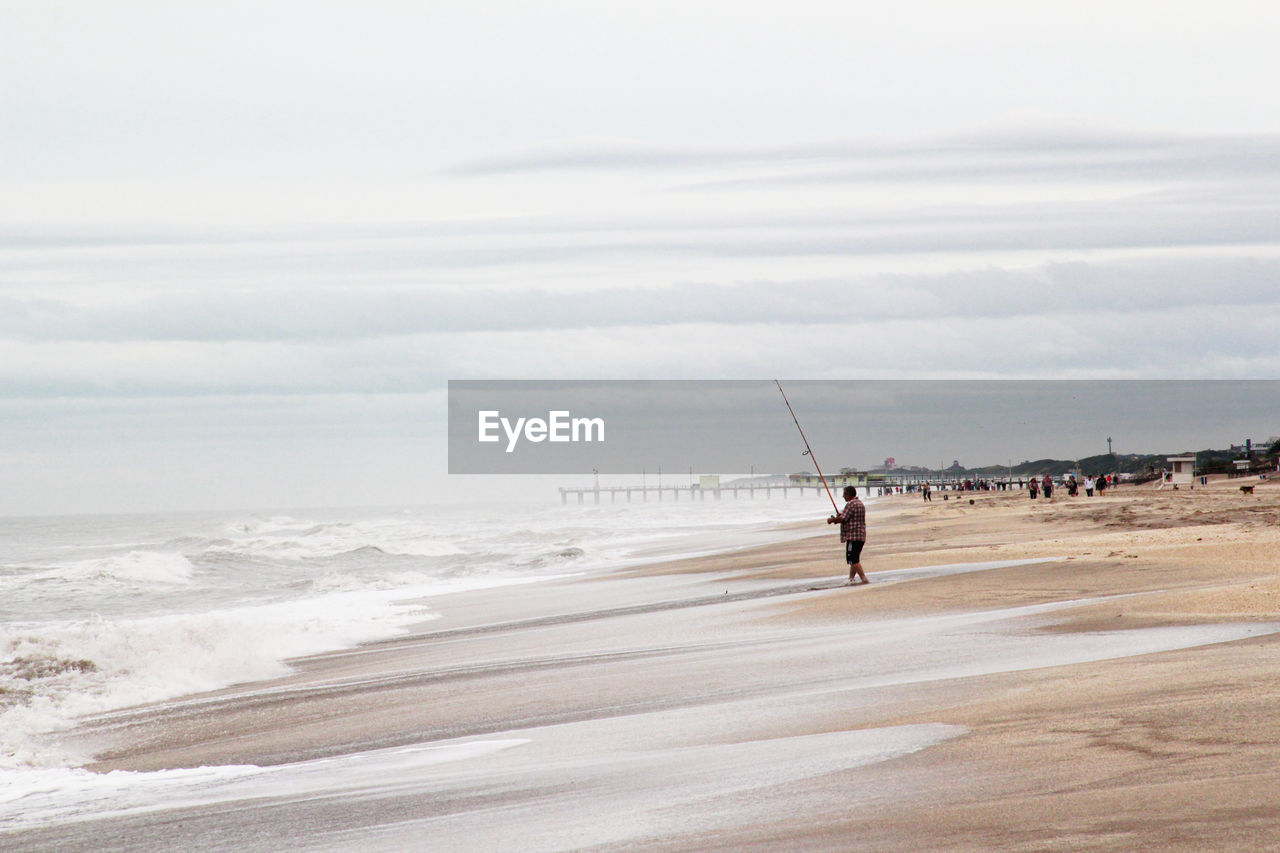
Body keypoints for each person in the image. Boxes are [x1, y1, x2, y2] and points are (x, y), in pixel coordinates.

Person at [827, 485, 868, 585]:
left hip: (853, 536)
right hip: (861, 536)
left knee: (852, 559)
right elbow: (849, 517)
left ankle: (863, 578)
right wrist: (840, 517)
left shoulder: (851, 504)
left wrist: (832, 520)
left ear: (849, 494)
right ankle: (851, 579)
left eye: (844, 494)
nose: (843, 496)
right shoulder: (860, 503)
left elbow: (843, 519)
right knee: (855, 558)